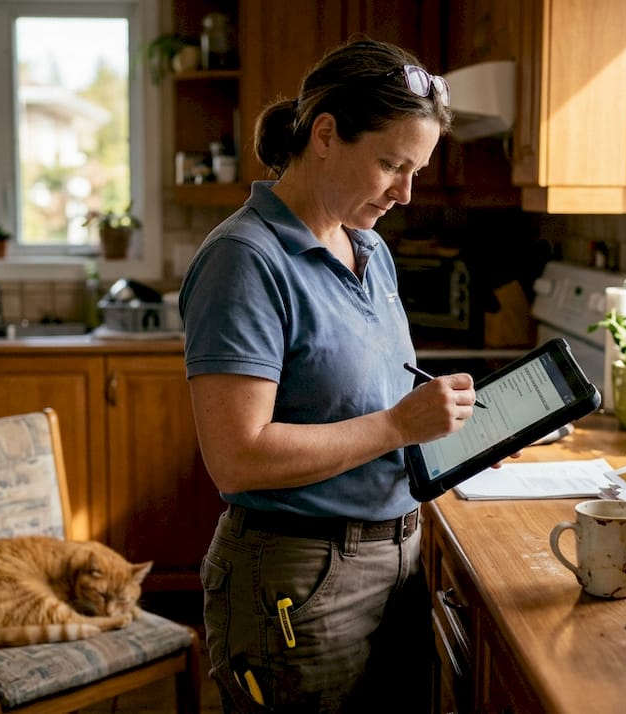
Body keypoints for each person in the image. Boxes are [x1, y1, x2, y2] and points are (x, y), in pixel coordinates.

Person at [179, 39, 472, 712]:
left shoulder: (368, 247)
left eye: (416, 170)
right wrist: (399, 424)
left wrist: (443, 427)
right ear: (325, 134)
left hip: (399, 561)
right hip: (301, 581)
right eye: (391, 165)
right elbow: (236, 458)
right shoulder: (244, 260)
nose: (405, 193)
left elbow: (363, 400)